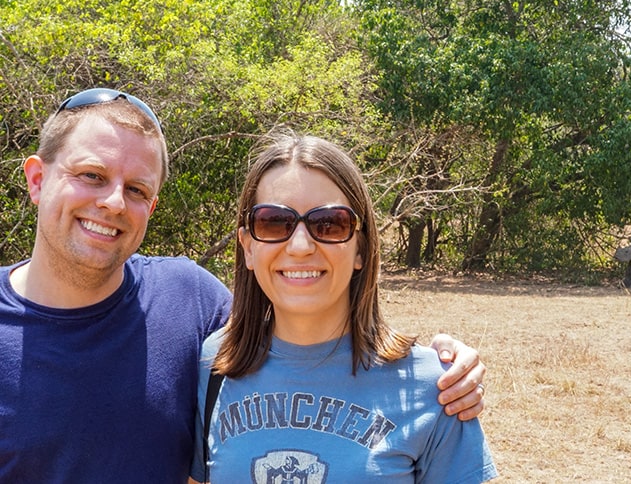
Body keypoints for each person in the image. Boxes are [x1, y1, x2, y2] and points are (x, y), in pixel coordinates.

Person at [0, 88, 487, 483]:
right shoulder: (214, 358)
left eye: (331, 224)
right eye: (274, 222)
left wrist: (446, 363)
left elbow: (307, 326)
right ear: (37, 180)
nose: (112, 202)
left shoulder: (189, 303)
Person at [190, 133, 498, 482]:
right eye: (274, 222)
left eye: (330, 224)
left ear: (361, 249)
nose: (301, 245)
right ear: (248, 247)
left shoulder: (438, 386)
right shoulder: (213, 366)